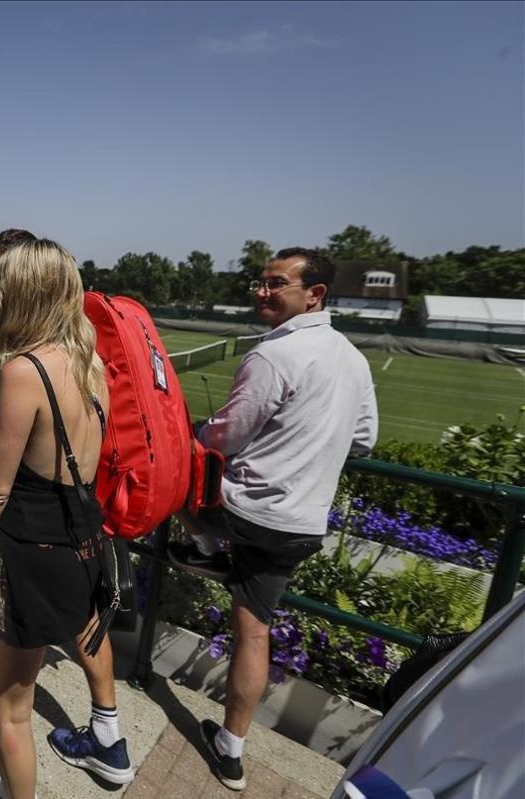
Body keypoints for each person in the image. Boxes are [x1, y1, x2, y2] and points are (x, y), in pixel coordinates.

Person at [168, 247, 378, 792]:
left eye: (275, 284)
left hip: (249, 516)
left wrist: (195, 434)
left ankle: (205, 550)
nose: (262, 291)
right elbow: (364, 439)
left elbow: (225, 436)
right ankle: (231, 751)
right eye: (261, 282)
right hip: (302, 524)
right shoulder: (352, 357)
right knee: (253, 631)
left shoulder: (273, 355)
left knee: (171, 481)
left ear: (315, 295)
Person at [0, 229, 135, 791]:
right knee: (17, 682)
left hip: (31, 553)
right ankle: (101, 733)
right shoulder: (89, 363)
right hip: (83, 541)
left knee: (11, 712)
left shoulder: (24, 369)